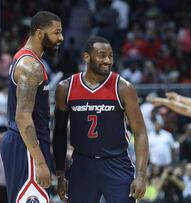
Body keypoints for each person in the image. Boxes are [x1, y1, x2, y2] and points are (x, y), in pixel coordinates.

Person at [52, 36, 149, 203]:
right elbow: (59, 132)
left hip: (117, 163)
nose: (108, 60)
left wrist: (141, 175)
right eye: (102, 55)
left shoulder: (124, 88)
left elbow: (140, 133)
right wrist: (60, 174)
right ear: (87, 57)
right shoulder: (65, 88)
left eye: (110, 56)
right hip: (82, 164)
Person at [0, 11, 64, 203]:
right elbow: (23, 117)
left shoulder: (25, 59)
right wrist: (40, 161)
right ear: (38, 33)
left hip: (24, 144)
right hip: (26, 147)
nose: (61, 38)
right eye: (56, 32)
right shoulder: (30, 66)